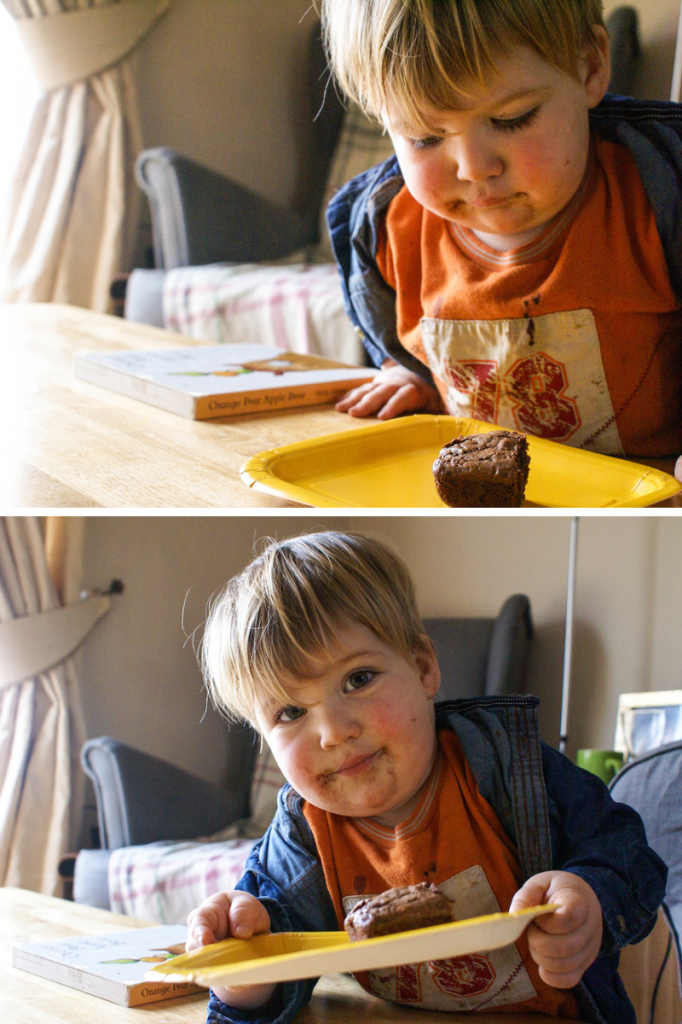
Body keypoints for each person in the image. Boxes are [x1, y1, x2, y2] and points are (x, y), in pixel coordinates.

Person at [187, 530, 666, 1024]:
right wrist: (242, 977)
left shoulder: (509, 767)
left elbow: (627, 851)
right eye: (290, 711)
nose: (333, 732)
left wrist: (589, 897)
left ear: (422, 668)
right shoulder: (301, 835)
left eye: (358, 679)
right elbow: (281, 954)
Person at [318, 0, 682, 481]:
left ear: (590, 67)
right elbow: (402, 338)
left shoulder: (656, 193)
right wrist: (411, 376)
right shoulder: (386, 230)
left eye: (512, 118)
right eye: (425, 136)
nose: (473, 169)